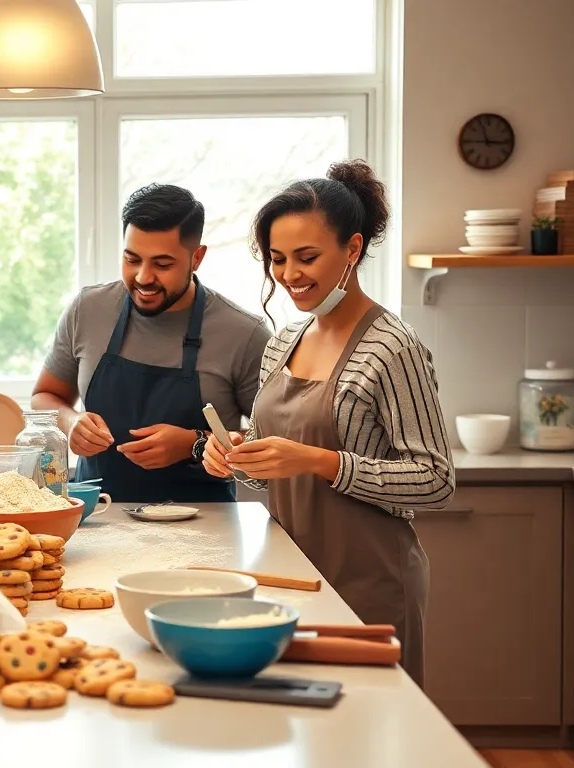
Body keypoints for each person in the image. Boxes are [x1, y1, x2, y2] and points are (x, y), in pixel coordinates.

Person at [201, 159, 453, 687]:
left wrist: (320, 460)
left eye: (307, 257)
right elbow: (276, 469)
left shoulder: (392, 348)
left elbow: (435, 480)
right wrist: (235, 458)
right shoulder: (283, 342)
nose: (290, 274)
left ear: (353, 250)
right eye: (277, 259)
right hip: (293, 574)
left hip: (371, 582)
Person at [31, 183, 271, 503]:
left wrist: (193, 444)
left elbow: (270, 448)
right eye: (132, 259)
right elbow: (44, 396)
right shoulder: (88, 309)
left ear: (196, 258)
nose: (143, 277)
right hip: (98, 518)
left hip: (206, 534)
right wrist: (71, 422)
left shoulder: (244, 334)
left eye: (162, 264)